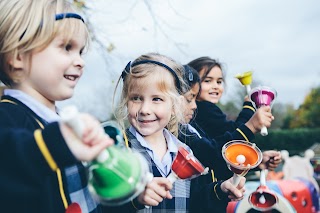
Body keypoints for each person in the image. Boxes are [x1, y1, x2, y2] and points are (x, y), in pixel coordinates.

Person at [0, 0, 114, 212]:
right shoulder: (7, 118)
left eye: (81, 51)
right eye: (67, 47)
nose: (81, 61)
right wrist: (48, 149)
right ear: (18, 56)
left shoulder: (65, 123)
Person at [110, 53, 246, 213]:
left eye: (157, 99)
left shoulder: (186, 152)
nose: (145, 110)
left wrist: (220, 189)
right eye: (136, 98)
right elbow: (104, 206)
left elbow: (195, 201)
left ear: (175, 106)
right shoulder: (118, 152)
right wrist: (135, 199)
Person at [179, 65, 281, 182]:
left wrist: (254, 162)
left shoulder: (196, 118)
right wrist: (249, 111)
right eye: (207, 81)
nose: (215, 86)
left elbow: (219, 158)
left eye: (219, 81)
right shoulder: (204, 109)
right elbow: (224, 146)